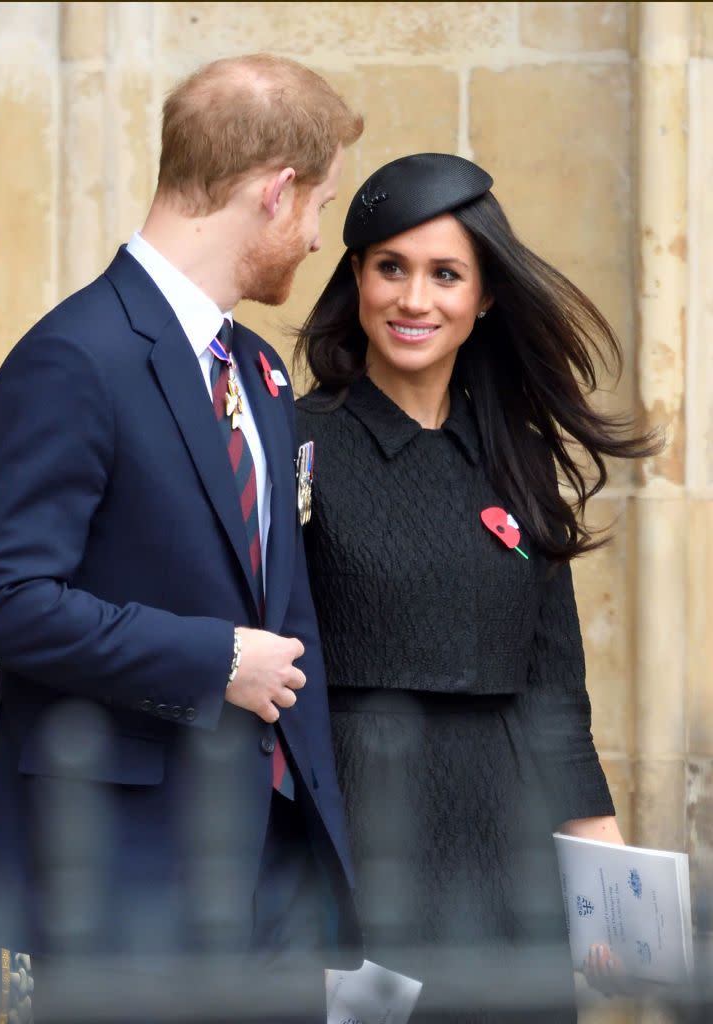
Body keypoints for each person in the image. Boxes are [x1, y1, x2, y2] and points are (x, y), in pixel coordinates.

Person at [0, 54, 363, 1024]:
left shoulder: (257, 371)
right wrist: (211, 657)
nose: (314, 240)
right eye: (318, 207)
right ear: (277, 190)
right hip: (124, 881)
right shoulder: (73, 356)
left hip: (271, 883)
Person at [294, 153, 657, 1022]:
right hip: (357, 839)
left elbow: (553, 689)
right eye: (391, 268)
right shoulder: (295, 443)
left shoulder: (517, 456)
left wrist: (604, 879)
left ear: (483, 297)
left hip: (508, 849)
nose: (413, 300)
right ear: (356, 276)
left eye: (445, 275)